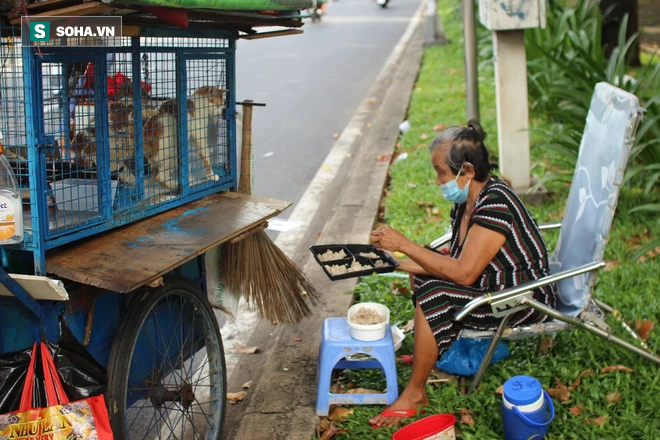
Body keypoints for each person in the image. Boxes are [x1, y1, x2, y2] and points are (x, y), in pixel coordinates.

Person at [368, 119, 556, 428]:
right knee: (428, 272)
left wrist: (404, 244)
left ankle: (415, 393)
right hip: (490, 286)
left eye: (441, 172)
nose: (438, 180)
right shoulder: (467, 202)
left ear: (467, 170)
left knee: (433, 291)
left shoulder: (496, 204)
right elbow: (451, 262)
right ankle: (431, 353)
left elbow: (464, 274)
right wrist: (394, 262)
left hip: (521, 298)